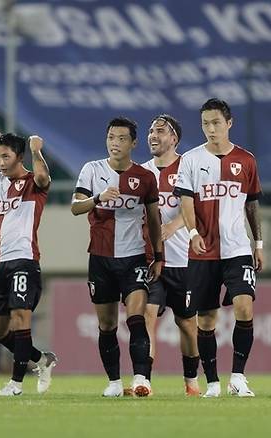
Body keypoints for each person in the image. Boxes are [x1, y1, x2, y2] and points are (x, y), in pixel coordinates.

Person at [173, 98, 264, 398]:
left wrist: (258, 243)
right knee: (206, 320)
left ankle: (238, 377)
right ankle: (212, 382)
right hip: (203, 251)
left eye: (215, 123)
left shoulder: (246, 160)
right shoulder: (190, 159)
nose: (210, 129)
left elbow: (252, 203)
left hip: (237, 248)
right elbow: (186, 200)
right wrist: (193, 232)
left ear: (229, 123)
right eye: (205, 124)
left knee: (244, 306)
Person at [71, 117, 164, 397]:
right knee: (107, 324)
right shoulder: (92, 169)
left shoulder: (145, 178)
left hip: (134, 258)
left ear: (134, 143)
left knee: (136, 317)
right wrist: (98, 198)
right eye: (111, 137)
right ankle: (113, 382)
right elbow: (76, 207)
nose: (115, 143)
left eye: (122, 138)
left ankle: (141, 379)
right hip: (100, 258)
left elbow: (154, 218)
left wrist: (158, 255)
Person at [0, 131, 57, 396]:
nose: (0, 162)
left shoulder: (32, 183)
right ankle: (41, 360)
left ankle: (16, 384)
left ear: (19, 156)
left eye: (6, 156)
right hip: (0, 264)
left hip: (24, 261)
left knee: (20, 318)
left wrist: (37, 150)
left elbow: (42, 177)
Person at [134, 114, 200, 396]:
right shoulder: (141, 172)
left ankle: (191, 380)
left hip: (185, 262)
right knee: (147, 314)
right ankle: (143, 380)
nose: (153, 135)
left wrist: (175, 224)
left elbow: (201, 205)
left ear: (174, 138)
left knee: (186, 325)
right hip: (152, 262)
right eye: (150, 131)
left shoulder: (190, 167)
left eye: (160, 131)